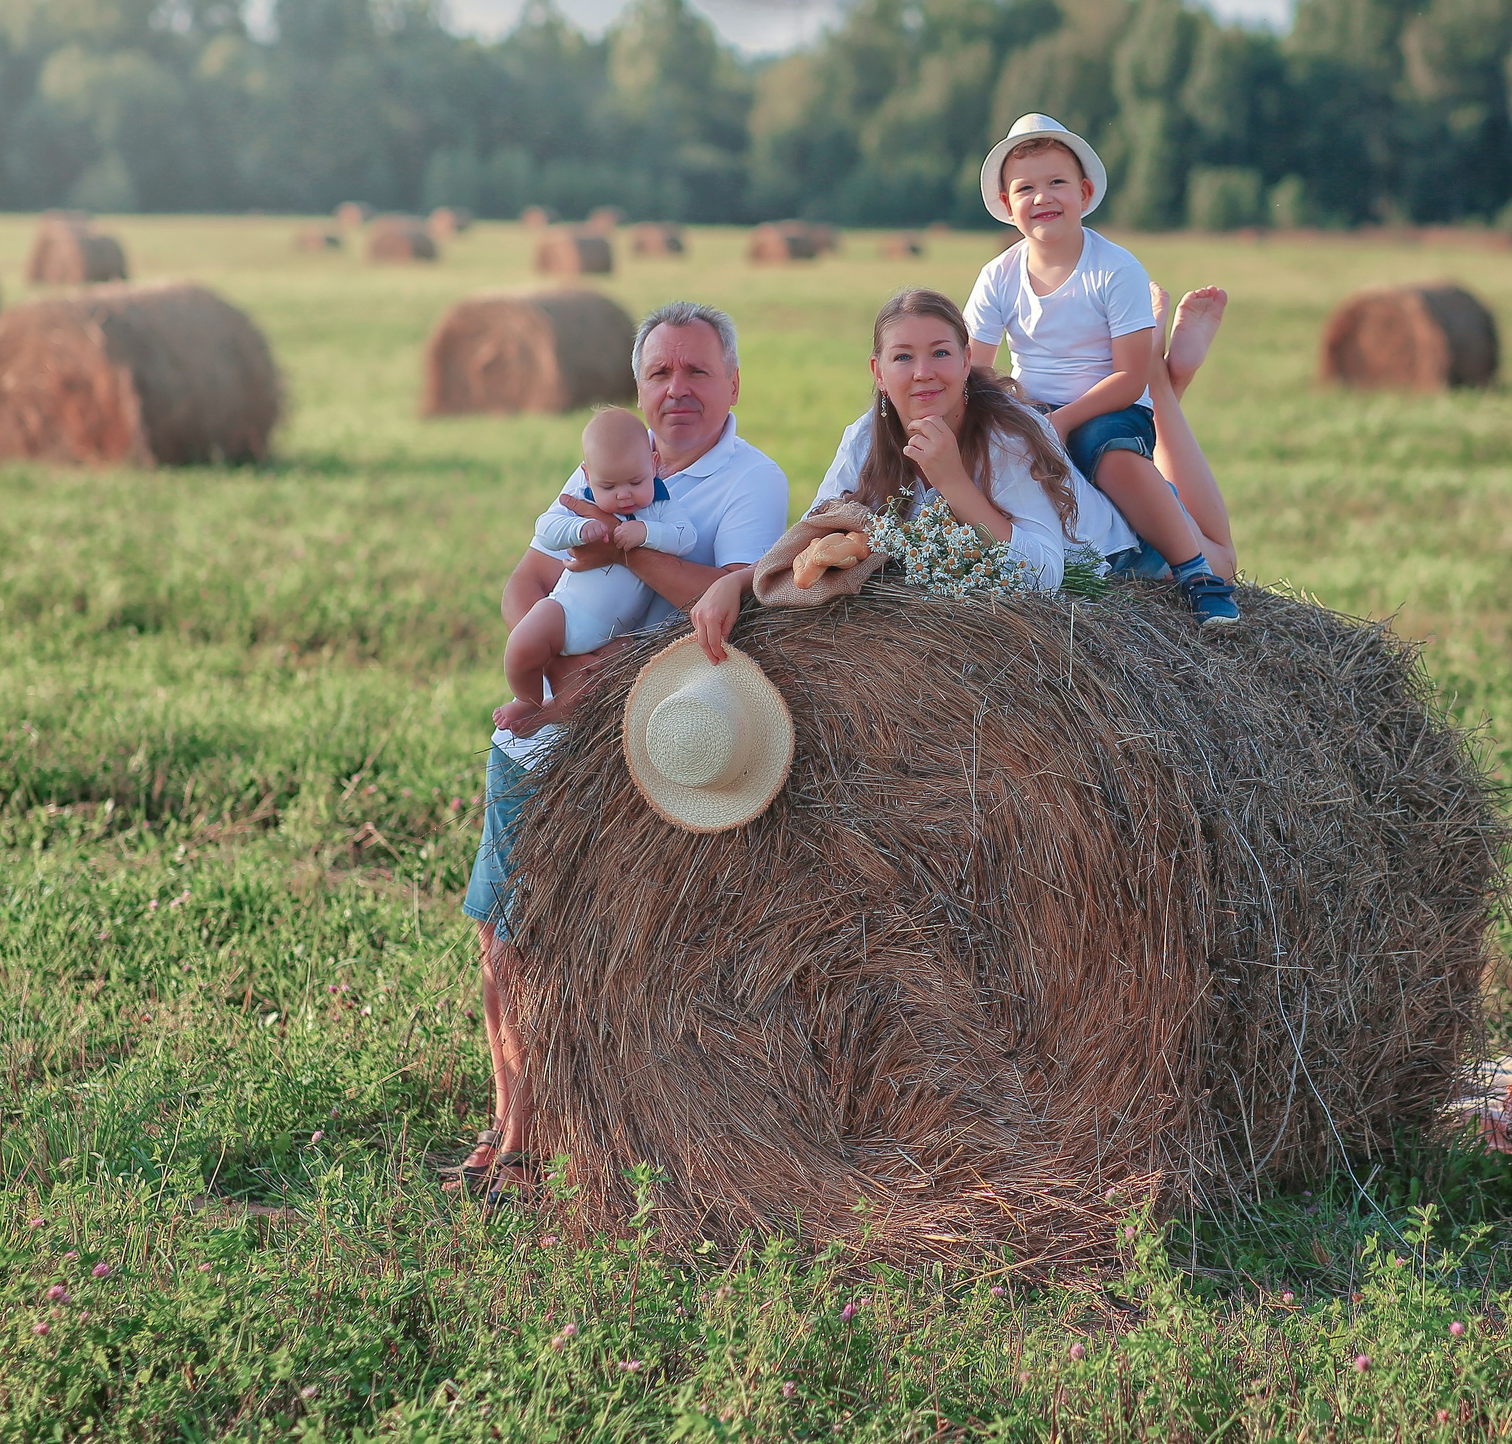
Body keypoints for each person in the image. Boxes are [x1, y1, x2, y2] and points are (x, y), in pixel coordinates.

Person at [452, 302, 790, 1198]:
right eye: (659, 374)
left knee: (581, 944)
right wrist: (551, 657)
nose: (676, 390)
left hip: (650, 746)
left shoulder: (749, 481)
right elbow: (529, 574)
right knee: (502, 937)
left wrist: (623, 542)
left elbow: (732, 599)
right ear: (640, 385)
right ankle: (510, 1122)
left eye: (697, 372)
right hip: (537, 736)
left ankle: (537, 1141)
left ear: (733, 384)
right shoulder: (613, 453)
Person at [966, 112, 1241, 626]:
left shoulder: (1114, 268)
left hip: (1108, 403)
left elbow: (1127, 380)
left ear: (1085, 192)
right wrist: (1009, 420)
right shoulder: (998, 276)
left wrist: (1063, 423)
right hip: (1033, 406)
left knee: (1108, 455)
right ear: (1007, 205)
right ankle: (1168, 371)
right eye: (1025, 187)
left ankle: (1197, 572)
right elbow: (975, 371)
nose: (1042, 197)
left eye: (1056, 183)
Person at [815, 287, 1138, 590]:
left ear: (966, 360)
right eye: (903, 357)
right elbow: (814, 527)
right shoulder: (863, 438)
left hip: (1114, 567)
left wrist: (954, 482)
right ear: (878, 372)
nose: (923, 371)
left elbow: (1045, 578)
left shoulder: (1008, 436)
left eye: (940, 353)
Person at [492, 407, 696, 733]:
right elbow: (545, 527)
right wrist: (578, 531)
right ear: (587, 477)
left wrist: (646, 535)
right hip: (564, 614)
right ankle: (527, 700)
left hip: (614, 638)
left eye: (635, 481)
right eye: (610, 486)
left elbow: (686, 537)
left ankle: (552, 710)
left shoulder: (659, 507)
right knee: (520, 647)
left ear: (653, 466)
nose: (624, 494)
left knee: (619, 666)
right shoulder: (583, 503)